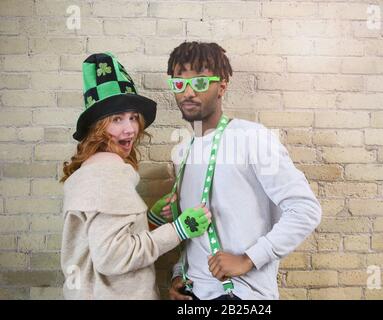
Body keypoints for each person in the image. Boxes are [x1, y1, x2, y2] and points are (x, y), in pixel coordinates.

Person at [150, 42, 322, 300]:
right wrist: (178, 274)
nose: (187, 92)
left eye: (199, 82)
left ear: (222, 86)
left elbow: (305, 210)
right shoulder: (183, 152)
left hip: (241, 295)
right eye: (179, 83)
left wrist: (248, 259)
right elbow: (197, 233)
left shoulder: (252, 138)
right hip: (192, 293)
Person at [60, 52, 211, 300]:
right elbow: (113, 257)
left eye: (132, 117)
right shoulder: (106, 172)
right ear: (97, 128)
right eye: (117, 119)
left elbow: (100, 241)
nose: (130, 128)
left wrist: (149, 220)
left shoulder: (90, 170)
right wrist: (179, 230)